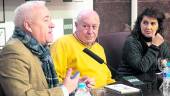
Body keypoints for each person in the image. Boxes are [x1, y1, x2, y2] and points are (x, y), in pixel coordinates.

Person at [0, 1, 93, 96]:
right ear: (28, 26)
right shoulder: (13, 52)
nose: (52, 25)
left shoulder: (40, 49)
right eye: (46, 20)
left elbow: (45, 87)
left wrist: (74, 86)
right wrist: (64, 89)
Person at [50, 10, 115, 88]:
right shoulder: (62, 43)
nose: (90, 31)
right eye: (85, 26)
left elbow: (107, 79)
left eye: (94, 27)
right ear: (76, 25)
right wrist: (76, 85)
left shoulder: (99, 48)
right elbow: (53, 79)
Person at [118, 8, 170, 75]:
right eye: (145, 23)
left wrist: (164, 66)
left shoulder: (161, 42)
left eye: (153, 23)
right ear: (140, 24)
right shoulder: (131, 42)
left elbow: (167, 64)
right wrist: (154, 46)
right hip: (130, 79)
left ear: (158, 26)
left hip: (149, 80)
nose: (148, 27)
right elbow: (141, 68)